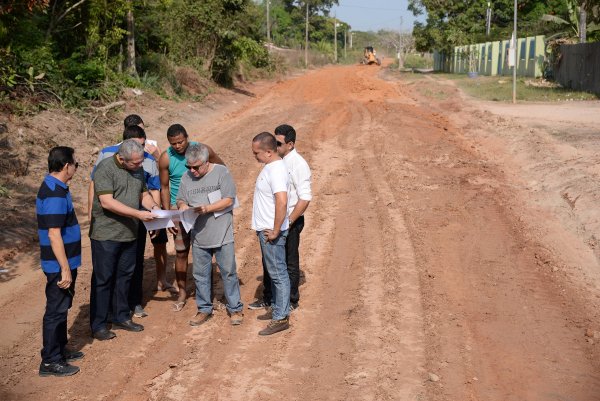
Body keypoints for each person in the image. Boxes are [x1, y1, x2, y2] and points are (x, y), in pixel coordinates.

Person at [89, 140, 159, 341]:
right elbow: (107, 202)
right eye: (135, 163)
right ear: (121, 158)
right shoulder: (105, 168)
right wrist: (138, 214)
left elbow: (143, 194)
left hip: (130, 234)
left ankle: (121, 316)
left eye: (140, 162)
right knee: (103, 280)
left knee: (125, 276)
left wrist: (153, 208)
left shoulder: (137, 168)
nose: (139, 167)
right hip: (106, 235)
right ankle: (99, 324)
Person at [158, 124, 224, 312]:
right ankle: (182, 293)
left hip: (202, 209)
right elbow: (164, 187)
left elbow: (221, 169)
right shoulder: (166, 158)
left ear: (188, 137)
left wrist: (214, 199)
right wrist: (168, 217)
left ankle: (208, 294)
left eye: (181, 141)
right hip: (179, 210)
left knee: (205, 250)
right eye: (173, 143)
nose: (178, 146)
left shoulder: (203, 150)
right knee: (181, 252)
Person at [176, 144, 244, 326]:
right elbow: (180, 198)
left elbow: (229, 199)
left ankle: (235, 308)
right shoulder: (186, 178)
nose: (192, 170)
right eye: (189, 167)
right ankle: (204, 309)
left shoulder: (222, 172)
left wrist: (207, 208)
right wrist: (182, 206)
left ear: (206, 162)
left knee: (228, 272)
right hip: (198, 235)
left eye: (196, 167)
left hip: (222, 234)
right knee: (200, 274)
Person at [249, 124, 312, 311]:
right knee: (271, 262)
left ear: (290, 144)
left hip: (290, 219)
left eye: (279, 143)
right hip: (277, 219)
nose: (275, 146)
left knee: (289, 263)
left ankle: (290, 301)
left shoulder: (298, 164)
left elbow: (305, 197)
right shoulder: (276, 163)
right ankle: (269, 298)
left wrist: (289, 221)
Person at [36, 146, 83, 377]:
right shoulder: (54, 193)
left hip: (64, 261)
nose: (76, 167)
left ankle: (60, 350)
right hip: (58, 265)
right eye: (75, 163)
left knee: (62, 307)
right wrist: (65, 268)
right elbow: (54, 233)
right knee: (56, 310)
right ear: (67, 166)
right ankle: (50, 361)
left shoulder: (58, 187)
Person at [251, 132, 291, 336]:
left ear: (268, 152)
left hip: (271, 231)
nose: (254, 156)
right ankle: (277, 308)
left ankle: (281, 317)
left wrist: (276, 230)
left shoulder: (276, 171)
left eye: (256, 153)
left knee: (278, 274)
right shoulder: (271, 167)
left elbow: (282, 201)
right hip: (267, 229)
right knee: (274, 272)